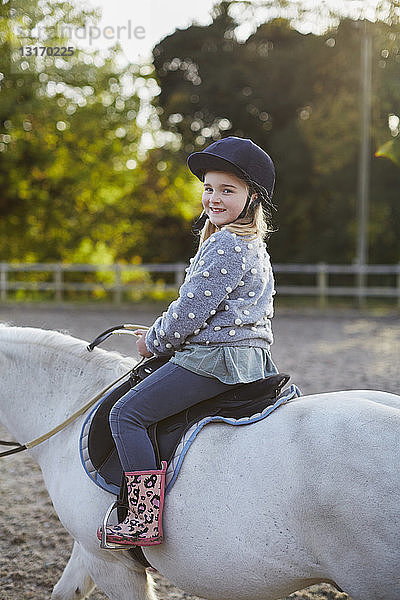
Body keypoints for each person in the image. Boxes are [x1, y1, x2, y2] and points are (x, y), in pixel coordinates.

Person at [97, 136, 279, 548]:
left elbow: (187, 314)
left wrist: (154, 341)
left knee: (126, 414)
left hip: (215, 359)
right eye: (209, 188)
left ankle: (142, 518)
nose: (214, 198)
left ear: (252, 198)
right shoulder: (251, 243)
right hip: (250, 356)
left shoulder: (228, 244)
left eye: (227, 190)